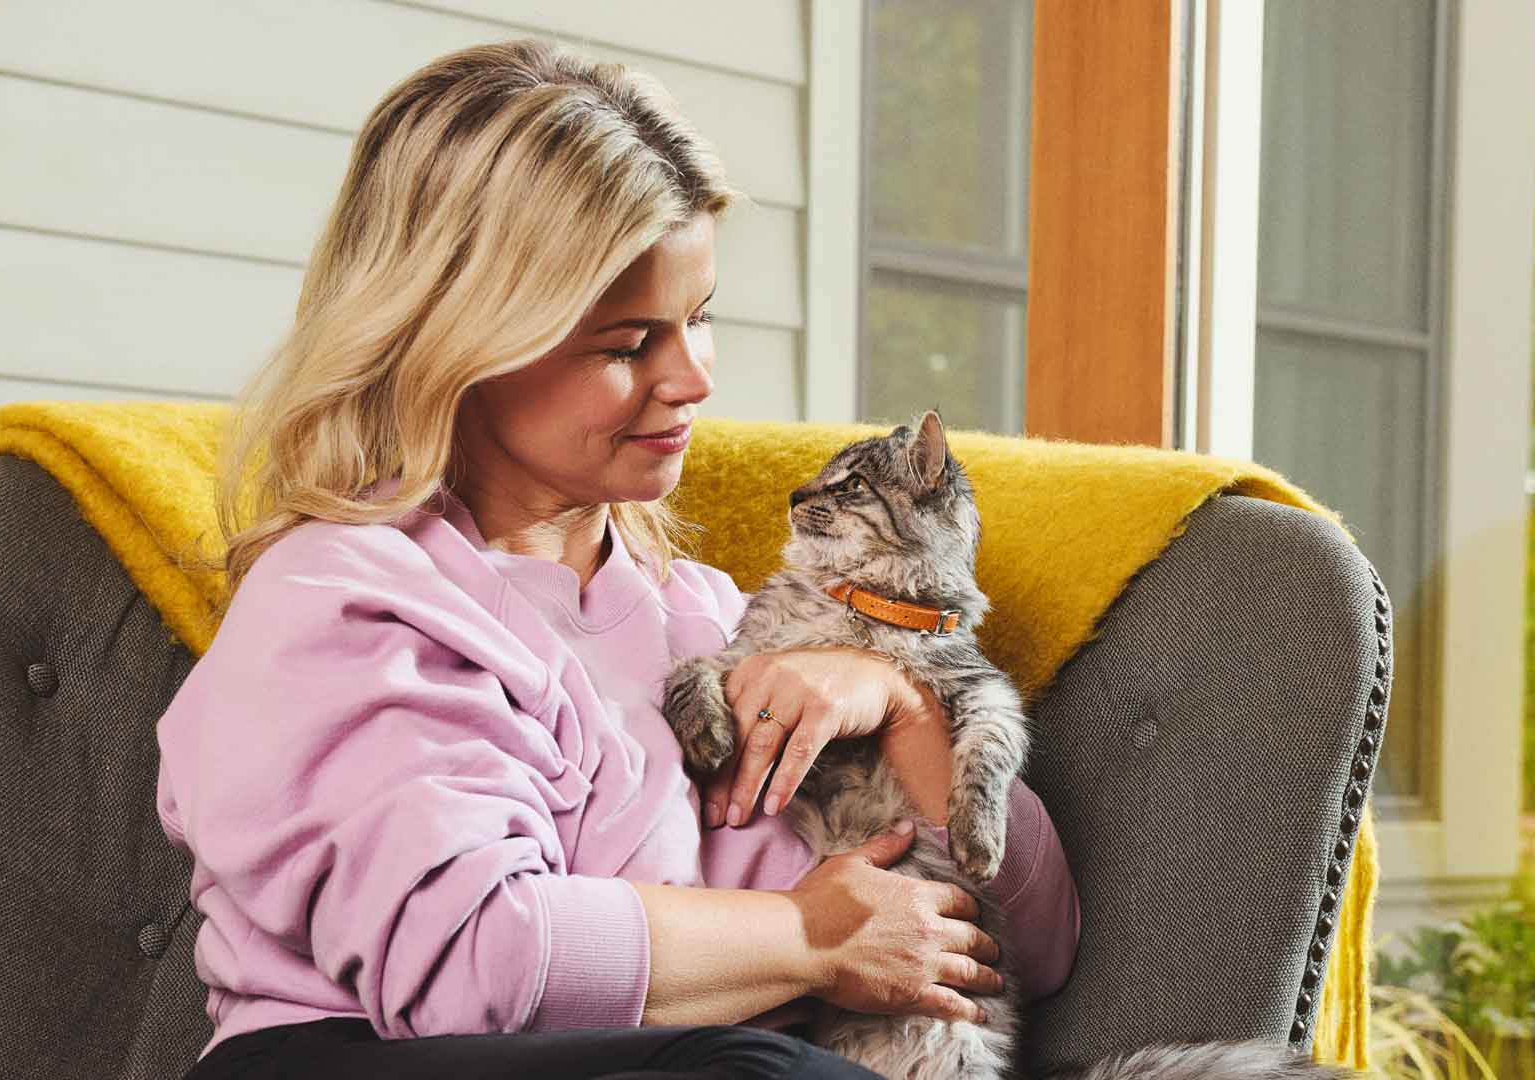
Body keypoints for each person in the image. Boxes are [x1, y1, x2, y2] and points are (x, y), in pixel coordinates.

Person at [160, 39, 1081, 1080]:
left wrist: (904, 704)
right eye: (628, 343)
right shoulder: (343, 599)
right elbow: (475, 960)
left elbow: (1038, 947)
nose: (692, 378)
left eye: (700, 318)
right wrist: (809, 938)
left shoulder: (718, 623)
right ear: (462, 341)